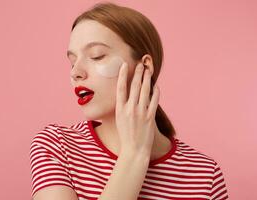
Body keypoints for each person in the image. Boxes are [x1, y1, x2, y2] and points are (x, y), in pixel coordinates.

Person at [29, 2, 229, 200]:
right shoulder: (56, 146)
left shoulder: (205, 174)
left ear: (145, 67)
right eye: (72, 62)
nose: (76, 73)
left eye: (97, 56)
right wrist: (134, 154)